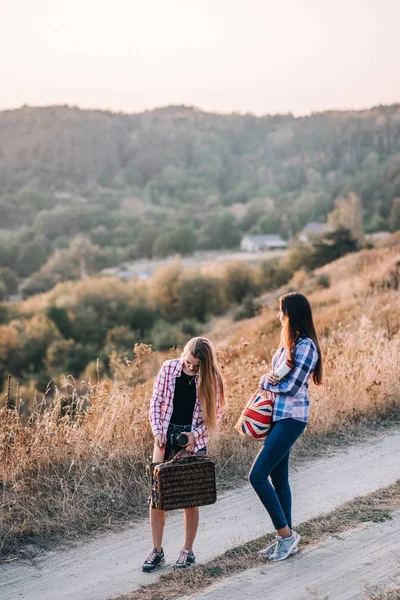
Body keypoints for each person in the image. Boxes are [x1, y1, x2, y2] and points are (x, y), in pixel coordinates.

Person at [249, 292, 322, 562]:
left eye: (282, 311)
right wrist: (268, 380)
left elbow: (290, 388)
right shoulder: (287, 345)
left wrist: (266, 382)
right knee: (279, 479)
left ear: (291, 313)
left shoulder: (306, 347)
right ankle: (285, 538)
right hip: (278, 417)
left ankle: (286, 536)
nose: (279, 315)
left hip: (292, 418)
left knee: (257, 476)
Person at [142, 336, 226, 572]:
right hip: (164, 438)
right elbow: (155, 402)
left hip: (192, 441)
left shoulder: (212, 378)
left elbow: (216, 416)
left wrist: (195, 437)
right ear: (184, 354)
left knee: (190, 497)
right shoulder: (168, 368)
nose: (190, 368)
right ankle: (156, 551)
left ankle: (187, 551)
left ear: (205, 365)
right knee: (157, 496)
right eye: (188, 362)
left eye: (196, 366)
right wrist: (157, 432)